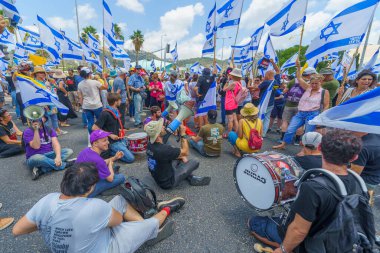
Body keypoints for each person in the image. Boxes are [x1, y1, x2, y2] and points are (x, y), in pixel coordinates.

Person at [13, 163, 186, 252]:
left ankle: (143, 232)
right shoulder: (94, 206)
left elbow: (17, 230)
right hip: (107, 247)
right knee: (147, 224)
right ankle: (164, 212)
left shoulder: (47, 200)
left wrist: (50, 224)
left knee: (118, 199)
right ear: (90, 188)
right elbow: (117, 220)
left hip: (82, 238)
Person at [248, 129, 368, 252]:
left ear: (320, 148)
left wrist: (283, 250)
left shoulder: (313, 187)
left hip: (315, 242)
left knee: (255, 223)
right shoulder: (358, 181)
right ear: (354, 157)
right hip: (343, 239)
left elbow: (299, 231)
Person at [273, 59, 330, 150]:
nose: (314, 85)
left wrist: (321, 117)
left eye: (316, 83)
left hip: (313, 114)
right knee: (290, 129)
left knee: (308, 133)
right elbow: (299, 78)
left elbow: (326, 105)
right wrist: (299, 67)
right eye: (312, 83)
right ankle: (283, 144)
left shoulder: (324, 92)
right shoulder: (308, 87)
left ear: (321, 82)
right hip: (300, 113)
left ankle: (305, 150)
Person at [145, 119, 211, 189]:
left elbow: (168, 146)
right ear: (158, 134)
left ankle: (191, 177)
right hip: (168, 183)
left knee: (180, 157)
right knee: (195, 161)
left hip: (158, 176)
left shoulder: (150, 144)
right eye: (161, 127)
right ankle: (191, 177)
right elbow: (185, 152)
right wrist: (183, 134)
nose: (163, 127)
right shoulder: (164, 150)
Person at [75, 130, 127, 197]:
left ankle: (103, 186)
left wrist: (115, 157)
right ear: (95, 143)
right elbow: (110, 179)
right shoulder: (98, 160)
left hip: (78, 186)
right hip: (86, 192)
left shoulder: (86, 151)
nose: (108, 142)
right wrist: (110, 165)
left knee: (107, 173)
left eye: (107, 140)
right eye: (104, 140)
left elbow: (101, 163)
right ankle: (103, 190)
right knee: (121, 177)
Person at [23, 115, 74, 180]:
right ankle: (64, 164)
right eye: (35, 118)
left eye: (40, 117)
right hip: (34, 157)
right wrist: (36, 130)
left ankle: (41, 169)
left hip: (49, 154)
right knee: (39, 158)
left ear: (44, 119)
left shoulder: (49, 129)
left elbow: (56, 144)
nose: (37, 119)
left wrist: (58, 156)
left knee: (68, 151)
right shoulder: (28, 131)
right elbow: (36, 146)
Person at [93, 93, 135, 164]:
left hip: (119, 139)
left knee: (133, 147)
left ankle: (116, 150)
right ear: (116, 102)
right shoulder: (105, 113)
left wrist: (121, 130)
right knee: (131, 158)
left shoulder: (115, 111)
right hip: (111, 142)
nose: (120, 102)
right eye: (119, 100)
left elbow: (113, 126)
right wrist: (110, 135)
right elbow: (94, 128)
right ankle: (110, 152)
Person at [280, 67, 316, 144]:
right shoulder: (310, 83)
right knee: (300, 123)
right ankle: (297, 140)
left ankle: (282, 139)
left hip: (289, 104)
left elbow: (285, 91)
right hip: (302, 106)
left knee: (285, 121)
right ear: (309, 74)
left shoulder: (294, 80)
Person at [350, 132, 380, 205]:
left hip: (365, 180)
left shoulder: (364, 148)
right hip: (375, 175)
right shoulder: (375, 133)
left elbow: (354, 174)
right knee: (368, 196)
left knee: (356, 202)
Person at [78, 67, 108, 133]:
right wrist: (104, 78)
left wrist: (82, 105)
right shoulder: (95, 82)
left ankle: (92, 136)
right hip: (97, 105)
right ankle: (101, 135)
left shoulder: (80, 84)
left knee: (90, 121)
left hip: (86, 105)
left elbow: (80, 97)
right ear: (89, 74)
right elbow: (106, 87)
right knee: (100, 121)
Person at [259, 59, 281, 137]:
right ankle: (263, 133)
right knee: (267, 118)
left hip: (263, 102)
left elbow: (258, 88)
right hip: (271, 102)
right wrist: (273, 63)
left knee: (260, 117)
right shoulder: (276, 82)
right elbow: (278, 71)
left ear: (267, 75)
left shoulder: (266, 82)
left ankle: (259, 132)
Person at [223, 68, 242, 138]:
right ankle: (235, 132)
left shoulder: (233, 83)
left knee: (230, 120)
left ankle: (229, 134)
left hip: (229, 102)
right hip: (235, 102)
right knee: (235, 118)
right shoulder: (239, 83)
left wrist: (227, 81)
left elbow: (224, 89)